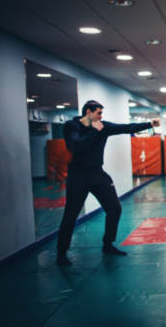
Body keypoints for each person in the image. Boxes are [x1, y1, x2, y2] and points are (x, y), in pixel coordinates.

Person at [56, 100, 160, 266]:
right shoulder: (72, 126)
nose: (101, 117)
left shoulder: (102, 126)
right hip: (78, 176)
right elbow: (76, 146)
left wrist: (149, 124)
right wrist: (96, 133)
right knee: (71, 214)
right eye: (98, 113)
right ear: (88, 112)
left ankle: (108, 244)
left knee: (114, 208)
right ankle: (61, 253)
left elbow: (125, 128)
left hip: (97, 173)